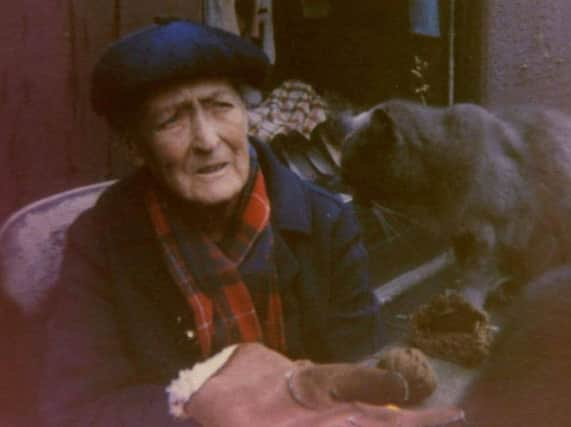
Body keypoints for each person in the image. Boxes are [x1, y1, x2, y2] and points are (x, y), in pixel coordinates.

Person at [39, 19, 464, 427]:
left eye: (221, 107)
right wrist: (212, 410)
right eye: (173, 120)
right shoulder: (100, 240)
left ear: (247, 115)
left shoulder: (325, 219)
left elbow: (358, 362)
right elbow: (78, 409)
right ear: (136, 147)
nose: (207, 140)